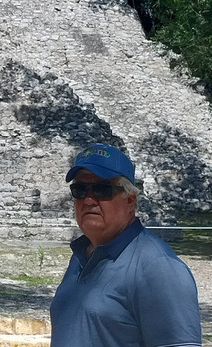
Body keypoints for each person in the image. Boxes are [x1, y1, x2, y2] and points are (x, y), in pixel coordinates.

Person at [50, 143, 201, 347]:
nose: (88, 200)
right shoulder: (82, 255)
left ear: (130, 201)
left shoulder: (157, 267)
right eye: (80, 190)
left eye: (102, 190)